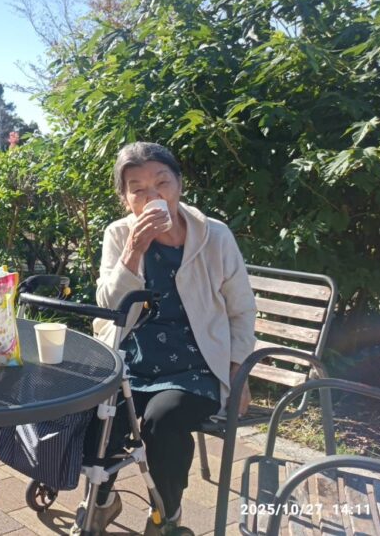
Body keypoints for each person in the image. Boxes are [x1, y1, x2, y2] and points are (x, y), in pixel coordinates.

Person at [86, 142, 257, 534]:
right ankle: (102, 500)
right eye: (138, 188)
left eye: (161, 182)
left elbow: (241, 310)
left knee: (162, 422)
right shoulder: (118, 235)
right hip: (131, 359)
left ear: (179, 184)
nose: (152, 196)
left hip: (197, 365)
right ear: (125, 197)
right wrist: (134, 251)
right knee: (97, 412)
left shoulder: (214, 236)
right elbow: (109, 307)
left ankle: (168, 513)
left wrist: (239, 372)